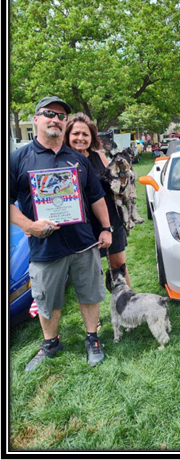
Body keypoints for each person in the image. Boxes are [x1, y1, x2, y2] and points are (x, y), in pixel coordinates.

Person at [10, 96, 112, 372]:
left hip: (82, 242)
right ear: (36, 120)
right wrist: (28, 226)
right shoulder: (18, 159)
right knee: (47, 298)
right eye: (48, 113)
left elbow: (96, 196)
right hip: (45, 248)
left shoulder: (78, 159)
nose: (55, 119)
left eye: (60, 115)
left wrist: (105, 227)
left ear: (64, 123)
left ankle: (93, 338)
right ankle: (51, 343)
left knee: (90, 293)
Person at [64, 112, 132, 287]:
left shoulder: (98, 156)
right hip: (80, 226)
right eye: (76, 134)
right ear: (68, 135)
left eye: (85, 134)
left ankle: (127, 307)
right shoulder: (60, 160)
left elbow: (116, 185)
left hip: (109, 221)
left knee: (119, 268)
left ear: (92, 137)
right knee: (86, 274)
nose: (80, 138)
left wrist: (123, 179)